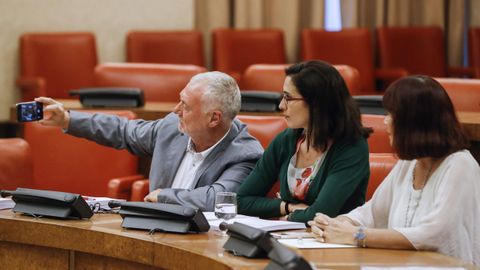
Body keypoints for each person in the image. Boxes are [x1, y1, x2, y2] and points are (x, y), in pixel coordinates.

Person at [309, 75, 480, 264]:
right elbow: (371, 213)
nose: (385, 121)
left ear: (414, 122)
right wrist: (334, 225)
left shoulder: (460, 164)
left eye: (391, 115)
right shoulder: (409, 163)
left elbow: (435, 234)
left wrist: (357, 236)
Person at [36, 71, 263, 211]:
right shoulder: (171, 128)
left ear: (214, 118)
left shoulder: (245, 153)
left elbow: (219, 198)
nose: (176, 110)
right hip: (155, 232)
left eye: (185, 105)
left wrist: (164, 196)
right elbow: (123, 130)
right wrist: (67, 119)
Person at [237, 60, 372, 223]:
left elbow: (320, 214)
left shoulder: (352, 147)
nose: (281, 105)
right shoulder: (286, 139)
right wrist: (288, 207)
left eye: (288, 97)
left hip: (333, 244)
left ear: (316, 103)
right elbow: (240, 201)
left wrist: (286, 218)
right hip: (289, 240)